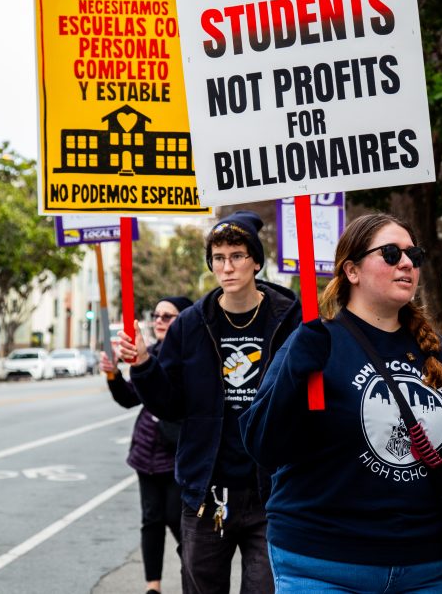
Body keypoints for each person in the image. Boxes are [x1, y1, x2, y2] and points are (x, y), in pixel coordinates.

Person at [240, 213, 442, 594]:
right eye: (390, 253)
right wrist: (294, 371)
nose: (406, 263)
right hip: (322, 565)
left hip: (422, 569)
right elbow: (263, 446)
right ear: (352, 271)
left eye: (413, 254)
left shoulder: (437, 353)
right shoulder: (314, 343)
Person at [114, 210, 301, 594]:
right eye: (218, 258)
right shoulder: (191, 324)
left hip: (271, 491)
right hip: (207, 492)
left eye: (237, 255)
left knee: (266, 588)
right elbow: (169, 404)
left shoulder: (290, 319)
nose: (227, 266)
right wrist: (145, 364)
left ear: (255, 261)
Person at [101, 295, 193, 594]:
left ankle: (192, 577)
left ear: (184, 321)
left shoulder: (191, 357)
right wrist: (113, 374)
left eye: (168, 317)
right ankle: (153, 586)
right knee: (151, 520)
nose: (159, 321)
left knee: (177, 521)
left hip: (178, 454)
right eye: (156, 315)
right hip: (145, 452)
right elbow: (130, 397)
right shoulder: (148, 353)